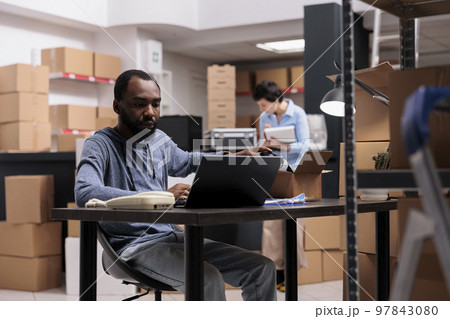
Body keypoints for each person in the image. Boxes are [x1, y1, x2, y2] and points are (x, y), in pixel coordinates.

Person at [75, 69, 277, 301]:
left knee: (263, 268)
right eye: (140, 104)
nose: (150, 112)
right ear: (117, 106)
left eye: (156, 104)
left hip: (172, 236)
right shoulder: (100, 144)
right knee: (206, 278)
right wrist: (160, 196)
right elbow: (85, 192)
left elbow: (187, 160)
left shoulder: (158, 139)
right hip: (134, 246)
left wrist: (234, 155)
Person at [252, 80, 310, 291]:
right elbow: (261, 140)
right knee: (271, 223)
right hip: (273, 172)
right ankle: (275, 271)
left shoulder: (298, 114)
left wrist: (279, 144)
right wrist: (263, 145)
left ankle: (291, 273)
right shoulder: (266, 116)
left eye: (263, 105)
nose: (261, 110)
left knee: (294, 223)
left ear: (276, 100)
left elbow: (305, 146)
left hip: (294, 173)